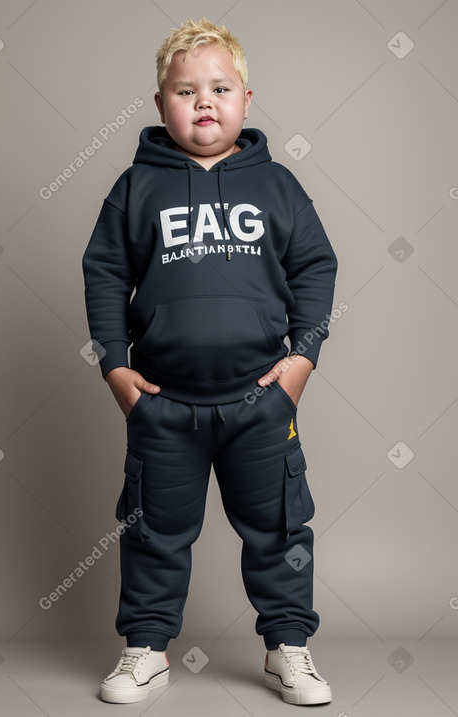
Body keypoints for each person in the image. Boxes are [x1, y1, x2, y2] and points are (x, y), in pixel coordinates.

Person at [82, 17, 338, 706]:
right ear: (161, 103)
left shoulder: (278, 186)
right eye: (185, 90)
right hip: (163, 404)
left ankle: (288, 646)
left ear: (246, 100)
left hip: (262, 403)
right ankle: (146, 647)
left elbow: (316, 265)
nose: (204, 101)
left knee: (281, 527)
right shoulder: (136, 189)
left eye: (220, 88)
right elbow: (104, 272)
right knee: (152, 530)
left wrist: (300, 362)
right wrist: (114, 366)